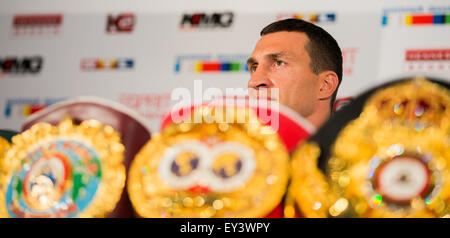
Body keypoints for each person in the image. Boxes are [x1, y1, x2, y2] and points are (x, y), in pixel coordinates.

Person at [247, 18, 343, 129]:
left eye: (279, 63)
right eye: (254, 68)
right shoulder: (232, 145)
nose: (253, 82)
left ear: (325, 85)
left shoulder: (357, 146)